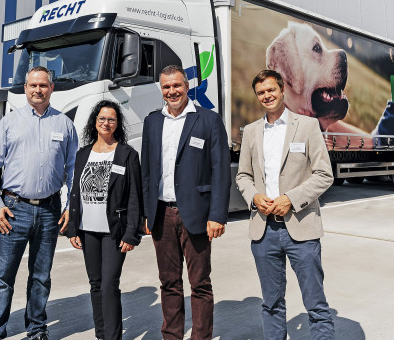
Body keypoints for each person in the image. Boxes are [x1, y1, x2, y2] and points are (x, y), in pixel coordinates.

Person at [235, 70, 335, 340]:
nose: (266, 96)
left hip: (301, 229)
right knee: (271, 304)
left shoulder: (307, 126)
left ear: (282, 90)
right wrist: (254, 196)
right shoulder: (252, 131)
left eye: (271, 90)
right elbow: (243, 176)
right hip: (264, 232)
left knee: (315, 305)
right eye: (261, 93)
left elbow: (325, 174)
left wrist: (291, 199)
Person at [0, 66, 78, 340]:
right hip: (13, 210)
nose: (38, 90)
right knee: (3, 278)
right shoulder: (9, 123)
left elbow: (73, 170)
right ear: (25, 88)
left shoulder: (64, 124)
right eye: (33, 85)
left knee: (41, 276)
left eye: (43, 85)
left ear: (52, 89)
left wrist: (71, 206)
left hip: (49, 211)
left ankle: (36, 329)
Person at [141, 65, 231, 340]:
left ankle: (200, 337)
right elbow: (147, 170)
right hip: (162, 214)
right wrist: (147, 212)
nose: (172, 91)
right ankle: (172, 335)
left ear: (186, 86)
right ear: (161, 89)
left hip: (197, 215)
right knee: (168, 282)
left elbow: (220, 171)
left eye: (176, 86)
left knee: (200, 283)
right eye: (166, 87)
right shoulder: (153, 121)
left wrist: (217, 215)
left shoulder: (208, 120)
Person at [67, 100, 143, 340]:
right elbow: (75, 192)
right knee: (96, 284)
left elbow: (134, 197)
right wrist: (72, 229)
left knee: (110, 284)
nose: (106, 123)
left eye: (111, 119)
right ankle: (101, 334)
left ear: (117, 124)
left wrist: (132, 233)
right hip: (87, 230)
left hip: (114, 231)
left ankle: (112, 337)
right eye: (102, 119)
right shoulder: (82, 154)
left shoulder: (126, 154)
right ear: (94, 122)